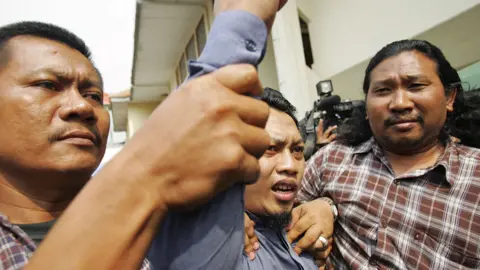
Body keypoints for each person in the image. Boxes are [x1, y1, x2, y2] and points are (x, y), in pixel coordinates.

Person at [1, 0, 286, 268]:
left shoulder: (164, 219)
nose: (81, 107)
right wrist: (147, 168)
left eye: (93, 96)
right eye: (48, 84)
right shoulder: (146, 195)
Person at [295, 39, 480, 269]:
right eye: (383, 90)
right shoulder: (332, 159)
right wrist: (325, 205)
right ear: (367, 105)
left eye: (416, 86)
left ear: (449, 97)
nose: (400, 104)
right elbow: (274, 216)